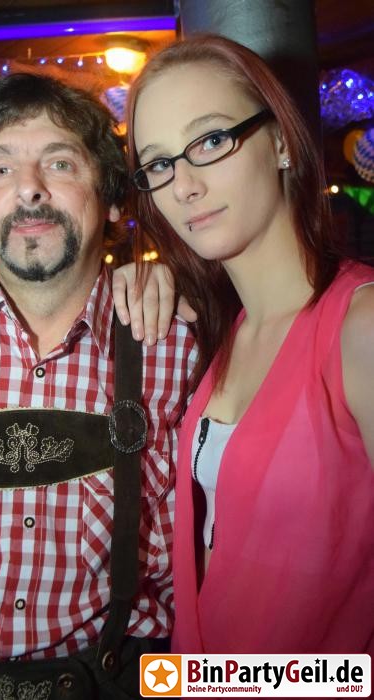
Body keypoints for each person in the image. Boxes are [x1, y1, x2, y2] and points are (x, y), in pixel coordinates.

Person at [0, 72, 195, 698]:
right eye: (1, 169)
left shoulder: (176, 346)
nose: (29, 188)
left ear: (112, 199)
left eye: (59, 163)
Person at [113, 34, 374, 655]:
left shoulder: (359, 325)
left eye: (210, 141)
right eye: (158, 163)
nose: (183, 186)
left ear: (280, 141)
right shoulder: (226, 331)